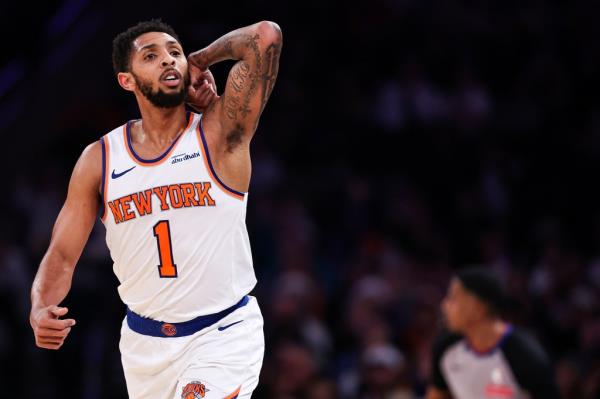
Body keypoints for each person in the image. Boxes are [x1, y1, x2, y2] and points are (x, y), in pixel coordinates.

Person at [29, 19, 282, 399]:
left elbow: (264, 36)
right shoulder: (99, 159)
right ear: (127, 80)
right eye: (151, 56)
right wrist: (40, 306)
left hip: (222, 334)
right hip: (144, 346)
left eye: (174, 53)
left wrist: (201, 58)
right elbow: (62, 254)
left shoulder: (218, 134)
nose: (167, 60)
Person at [426, 268, 560, 399]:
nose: (444, 305)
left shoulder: (526, 356)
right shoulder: (445, 349)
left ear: (477, 307)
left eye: (453, 298)